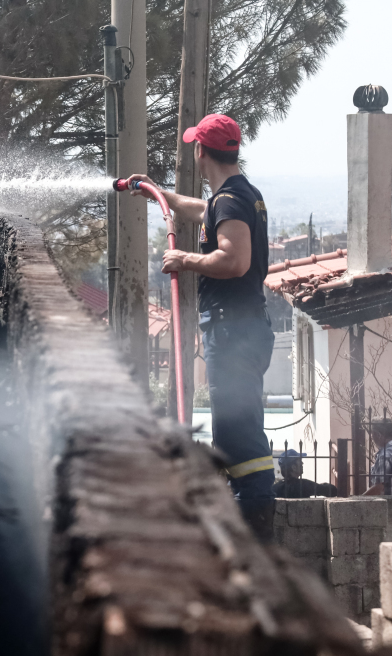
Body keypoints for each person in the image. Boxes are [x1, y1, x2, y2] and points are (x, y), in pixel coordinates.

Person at [125, 113, 275, 541]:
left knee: (237, 435)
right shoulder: (237, 195)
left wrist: (185, 260)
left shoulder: (229, 201)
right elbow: (203, 210)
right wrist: (159, 194)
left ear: (200, 151)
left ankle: (255, 537)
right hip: (243, 329)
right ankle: (248, 525)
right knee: (239, 429)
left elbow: (235, 260)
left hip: (231, 331)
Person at [273, 449, 339, 499]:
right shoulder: (303, 485)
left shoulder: (275, 488)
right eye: (299, 460)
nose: (302, 463)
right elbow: (330, 490)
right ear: (294, 467)